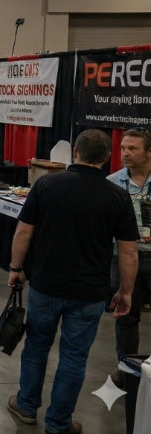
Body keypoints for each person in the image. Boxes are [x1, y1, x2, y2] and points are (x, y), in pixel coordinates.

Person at [5, 129, 138, 434]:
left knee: (37, 347)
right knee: (75, 357)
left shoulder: (47, 185)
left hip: (45, 284)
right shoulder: (117, 195)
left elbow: (23, 232)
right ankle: (59, 423)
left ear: (75, 150)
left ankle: (26, 406)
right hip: (89, 292)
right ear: (107, 158)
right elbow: (128, 251)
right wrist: (126, 291)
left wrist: (15, 268)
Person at [108, 128, 151, 388]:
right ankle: (126, 370)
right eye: (123, 147)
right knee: (126, 316)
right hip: (124, 258)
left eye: (132, 148)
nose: (125, 153)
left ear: (148, 152)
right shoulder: (112, 183)